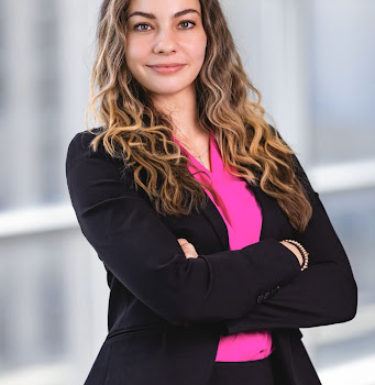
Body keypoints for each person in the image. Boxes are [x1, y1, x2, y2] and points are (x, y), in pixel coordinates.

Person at [65, 0, 358, 384]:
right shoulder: (100, 157)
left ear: (209, 35)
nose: (165, 44)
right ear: (119, 39)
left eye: (185, 24)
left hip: (273, 374)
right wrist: (288, 254)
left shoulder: (263, 147)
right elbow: (180, 296)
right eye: (143, 26)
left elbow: (337, 291)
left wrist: (204, 290)